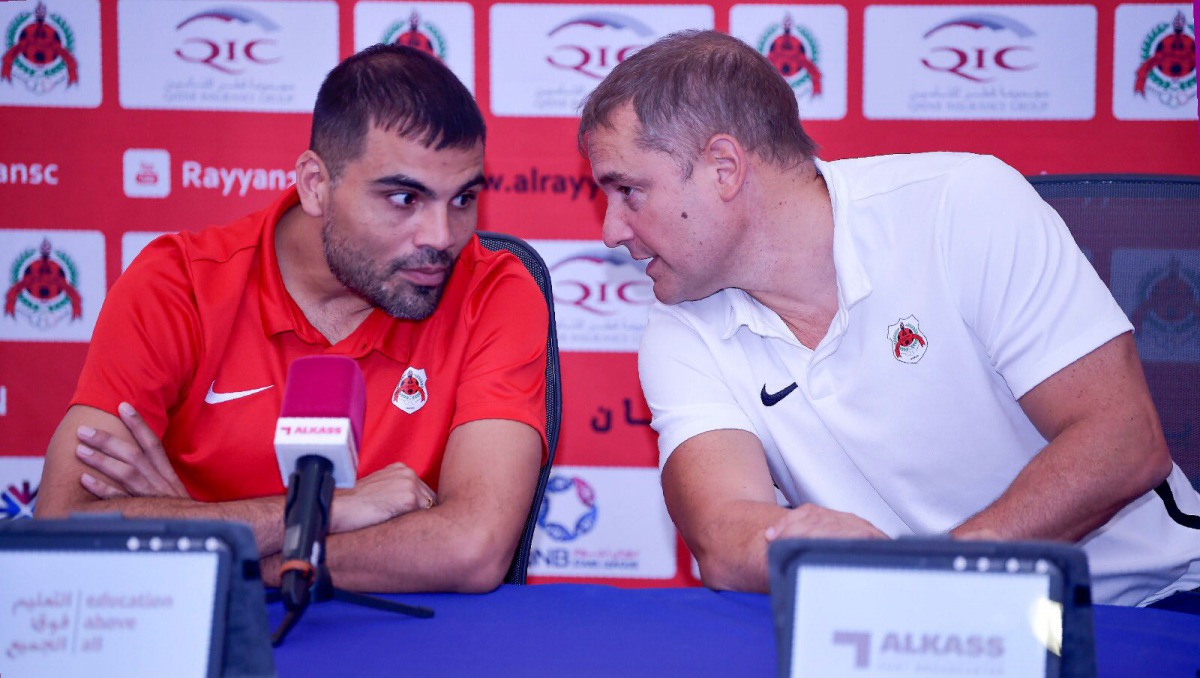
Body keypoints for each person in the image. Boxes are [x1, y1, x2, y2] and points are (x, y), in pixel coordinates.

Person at [579, 30, 1200, 606]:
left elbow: (1124, 443)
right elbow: (722, 531)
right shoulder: (679, 323)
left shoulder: (961, 204)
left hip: (1138, 603)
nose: (610, 232)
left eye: (628, 190)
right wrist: (801, 546)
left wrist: (933, 579)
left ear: (724, 167)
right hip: (903, 630)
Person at [35, 44, 549, 593]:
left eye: (463, 198)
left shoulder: (494, 289)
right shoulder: (178, 283)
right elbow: (65, 522)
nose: (442, 238)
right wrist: (328, 511)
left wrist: (212, 550)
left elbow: (472, 549)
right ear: (314, 184)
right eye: (404, 198)